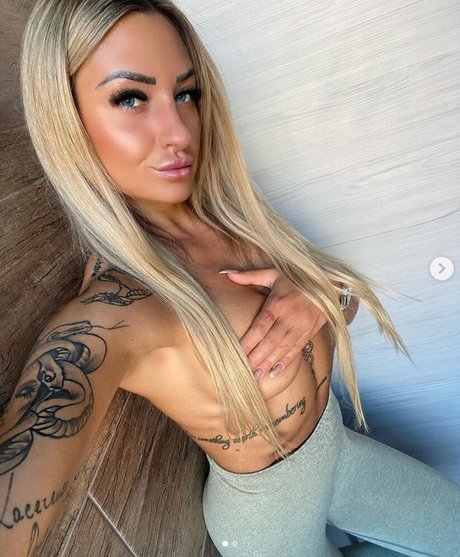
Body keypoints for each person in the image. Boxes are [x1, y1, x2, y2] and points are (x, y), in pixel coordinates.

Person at [1, 1, 459, 556]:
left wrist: (320, 296)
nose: (178, 132)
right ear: (68, 119)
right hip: (267, 522)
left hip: (338, 453)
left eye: (186, 93)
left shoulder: (234, 216)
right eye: (130, 98)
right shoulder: (119, 309)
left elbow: (342, 307)